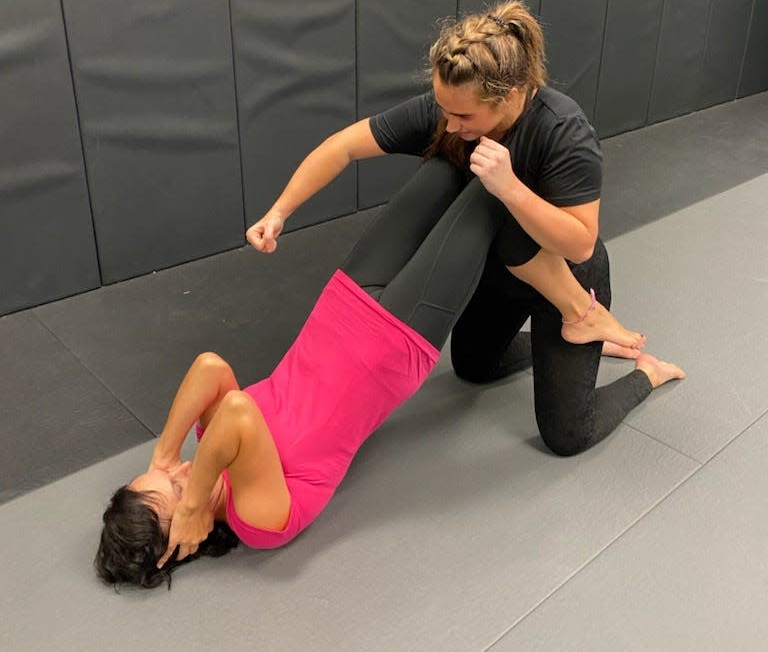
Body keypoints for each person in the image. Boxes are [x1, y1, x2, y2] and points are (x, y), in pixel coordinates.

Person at [95, 153, 682, 590]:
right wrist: (196, 500)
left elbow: (209, 366)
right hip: (396, 341)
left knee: (450, 161)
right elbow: (239, 413)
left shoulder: (205, 456)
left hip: (345, 300)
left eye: (169, 474)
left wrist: (161, 461)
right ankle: (616, 339)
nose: (183, 471)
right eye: (175, 489)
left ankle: (570, 324)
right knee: (491, 187)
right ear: (183, 540)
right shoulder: (258, 520)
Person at [246, 0, 684, 456]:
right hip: (501, 267)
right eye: (444, 110)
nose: (451, 125)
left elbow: (580, 244)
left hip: (565, 273)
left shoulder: (563, 130)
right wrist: (279, 212)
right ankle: (567, 348)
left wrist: (512, 187)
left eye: (465, 117)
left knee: (567, 437)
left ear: (512, 95)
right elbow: (344, 147)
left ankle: (638, 368)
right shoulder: (452, 109)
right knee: (474, 366)